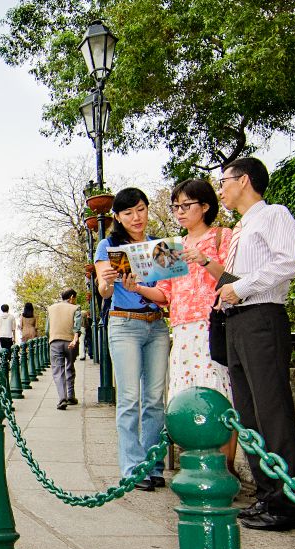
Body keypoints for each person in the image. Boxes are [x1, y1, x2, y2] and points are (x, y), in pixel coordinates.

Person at [214, 157, 295, 531]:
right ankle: (267, 495)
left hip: (262, 318)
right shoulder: (240, 228)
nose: (221, 189)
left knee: (273, 412)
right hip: (237, 322)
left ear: (244, 180)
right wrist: (227, 291)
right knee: (248, 414)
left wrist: (240, 287)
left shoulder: (273, 215)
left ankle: (291, 504)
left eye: (224, 181)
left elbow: (290, 261)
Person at [135, 179, 237, 473]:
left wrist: (204, 260)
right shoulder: (170, 248)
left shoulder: (223, 236)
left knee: (219, 393)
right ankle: (194, 465)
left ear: (205, 206)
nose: (179, 212)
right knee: (185, 396)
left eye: (186, 205)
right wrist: (137, 287)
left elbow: (234, 280)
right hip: (181, 329)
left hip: (212, 325)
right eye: (175, 206)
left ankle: (225, 467)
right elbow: (164, 295)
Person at [94, 187, 170, 492]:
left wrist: (140, 287)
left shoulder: (159, 246)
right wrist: (107, 282)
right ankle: (132, 469)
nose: (136, 217)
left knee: (154, 399)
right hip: (124, 324)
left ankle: (153, 464)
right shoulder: (108, 246)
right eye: (128, 212)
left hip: (157, 325)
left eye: (140, 209)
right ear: (117, 216)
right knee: (129, 398)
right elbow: (104, 291)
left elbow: (167, 294)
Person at [47, 289, 82, 410]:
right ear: (71, 297)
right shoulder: (75, 308)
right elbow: (77, 326)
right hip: (70, 342)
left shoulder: (51, 309)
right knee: (69, 367)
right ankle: (71, 396)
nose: (75, 301)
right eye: (75, 298)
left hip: (55, 342)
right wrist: (75, 339)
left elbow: (47, 329)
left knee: (58, 371)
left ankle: (62, 399)